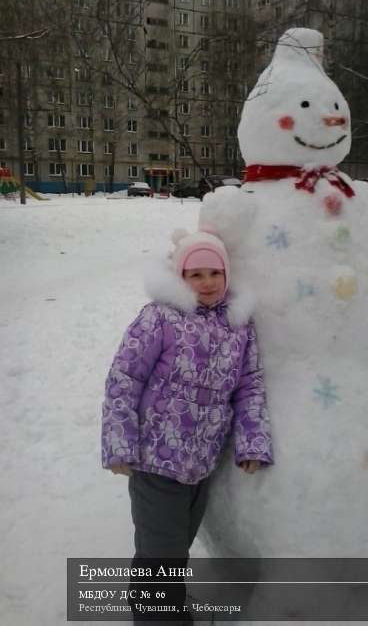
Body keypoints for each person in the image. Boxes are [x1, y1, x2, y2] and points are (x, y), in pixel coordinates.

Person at [101, 228, 274, 623]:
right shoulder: (159, 318)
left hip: (201, 464)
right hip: (154, 461)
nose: (207, 282)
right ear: (181, 277)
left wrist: (252, 443)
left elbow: (249, 386)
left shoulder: (238, 325)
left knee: (175, 549)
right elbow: (124, 378)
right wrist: (119, 442)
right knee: (160, 554)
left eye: (215, 273)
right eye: (196, 274)